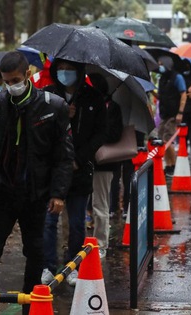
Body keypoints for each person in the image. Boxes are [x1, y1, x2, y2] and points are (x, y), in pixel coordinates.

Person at [0, 51, 74, 315]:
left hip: (34, 195)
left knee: (35, 252)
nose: (11, 85)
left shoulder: (53, 107)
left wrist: (58, 194)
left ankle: (30, 306)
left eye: (15, 79)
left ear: (28, 74)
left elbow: (63, 157)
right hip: (0, 193)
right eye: (6, 81)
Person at [42, 59, 107, 286]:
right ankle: (48, 266)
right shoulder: (48, 95)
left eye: (70, 69)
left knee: (78, 222)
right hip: (53, 170)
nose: (65, 73)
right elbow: (39, 128)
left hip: (80, 171)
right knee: (49, 220)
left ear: (79, 71)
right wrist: (62, 116)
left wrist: (80, 159)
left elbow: (100, 133)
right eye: (61, 69)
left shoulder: (94, 98)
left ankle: (73, 266)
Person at [87, 73, 123, 259]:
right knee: (91, 204)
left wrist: (96, 132)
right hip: (87, 160)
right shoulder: (85, 106)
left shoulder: (112, 108)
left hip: (104, 164)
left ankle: (101, 244)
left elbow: (114, 134)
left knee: (100, 205)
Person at [156, 55, 187, 176]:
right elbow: (161, 96)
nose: (159, 66)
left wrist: (180, 112)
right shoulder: (162, 78)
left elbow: (183, 95)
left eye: (161, 64)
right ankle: (168, 164)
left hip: (173, 114)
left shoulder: (177, 77)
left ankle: (173, 165)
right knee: (161, 140)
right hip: (164, 113)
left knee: (167, 139)